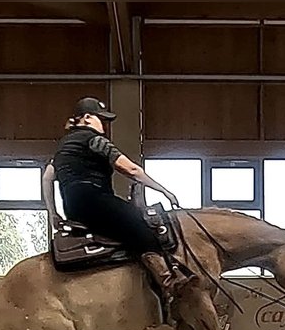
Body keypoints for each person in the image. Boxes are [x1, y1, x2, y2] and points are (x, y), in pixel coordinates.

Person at [42, 96, 192, 312]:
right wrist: (164, 191)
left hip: (74, 206)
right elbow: (131, 170)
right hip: (95, 199)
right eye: (100, 119)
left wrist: (52, 212)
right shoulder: (93, 140)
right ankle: (168, 283)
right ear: (86, 118)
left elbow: (48, 177)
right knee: (139, 224)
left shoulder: (63, 145)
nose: (103, 125)